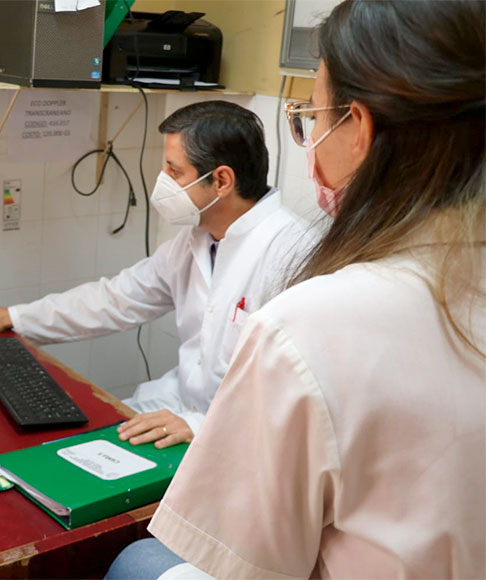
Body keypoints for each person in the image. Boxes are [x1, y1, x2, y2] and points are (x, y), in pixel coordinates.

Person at [111, 0, 485, 577]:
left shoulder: (313, 317)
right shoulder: (202, 246)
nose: (309, 141)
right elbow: (119, 295)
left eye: (310, 115)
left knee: (137, 562)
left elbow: (249, 563)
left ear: (357, 127)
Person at [0, 101, 315, 448]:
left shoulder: (295, 256)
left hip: (238, 440)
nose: (162, 180)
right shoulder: (196, 240)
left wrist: (201, 427)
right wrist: (12, 317)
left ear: (221, 181)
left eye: (174, 170)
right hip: (176, 410)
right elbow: (116, 299)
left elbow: (304, 395)